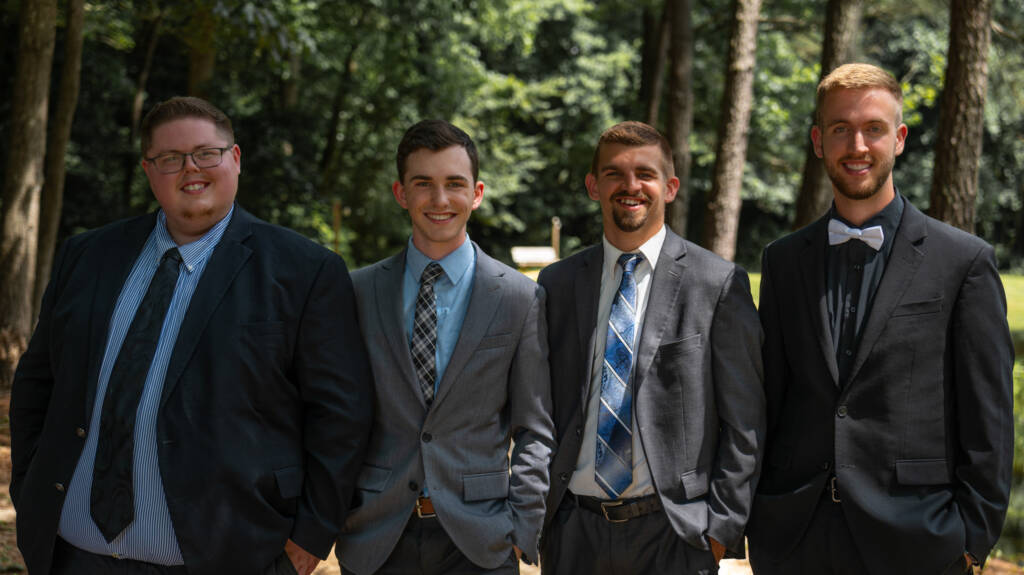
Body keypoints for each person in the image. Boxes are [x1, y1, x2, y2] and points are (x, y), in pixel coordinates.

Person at [9, 96, 373, 575]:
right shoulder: (87, 256)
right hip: (75, 553)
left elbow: (341, 414)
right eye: (170, 158)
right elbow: (38, 384)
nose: (190, 169)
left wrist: (310, 534)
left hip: (229, 552)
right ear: (147, 170)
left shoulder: (305, 271)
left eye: (207, 153)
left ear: (235, 159)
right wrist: (29, 488)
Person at [746, 63, 1014, 575]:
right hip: (796, 541)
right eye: (841, 129)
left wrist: (971, 540)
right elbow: (769, 400)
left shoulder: (963, 262)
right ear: (818, 141)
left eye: (873, 128)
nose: (858, 146)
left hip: (917, 541)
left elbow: (991, 419)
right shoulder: (783, 261)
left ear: (900, 138)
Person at [538, 121, 765, 575]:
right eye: (614, 173)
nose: (630, 186)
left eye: (645, 173)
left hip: (675, 536)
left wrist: (720, 531)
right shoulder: (557, 285)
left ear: (671, 186)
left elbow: (746, 423)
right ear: (593, 185)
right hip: (573, 535)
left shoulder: (716, 284)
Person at [334, 120, 555, 575]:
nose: (440, 200)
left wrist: (522, 527)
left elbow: (534, 428)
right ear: (401, 193)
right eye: (423, 184)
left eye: (454, 184)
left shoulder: (518, 297)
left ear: (476, 193)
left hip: (481, 541)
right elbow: (332, 418)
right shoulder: (355, 293)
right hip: (376, 538)